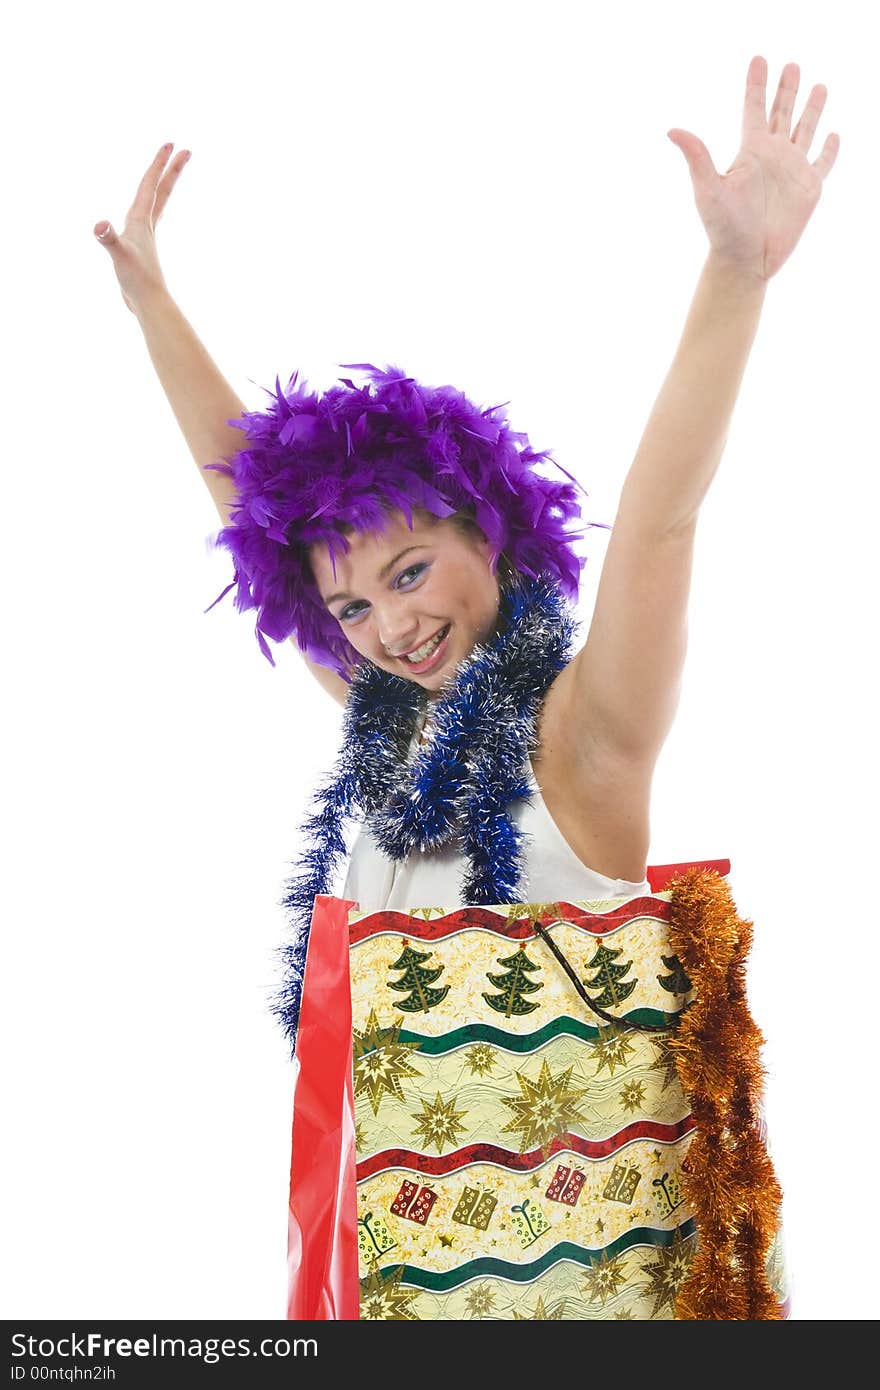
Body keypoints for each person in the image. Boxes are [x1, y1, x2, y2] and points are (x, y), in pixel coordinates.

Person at [95, 55, 837, 1320]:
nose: (390, 625)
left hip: (574, 1282)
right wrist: (153, 306)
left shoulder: (580, 737)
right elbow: (253, 505)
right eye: (350, 606)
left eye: (410, 569)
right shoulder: (393, 721)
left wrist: (733, 276)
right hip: (388, 1254)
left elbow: (660, 523)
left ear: (488, 530)